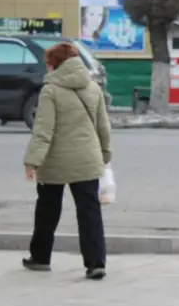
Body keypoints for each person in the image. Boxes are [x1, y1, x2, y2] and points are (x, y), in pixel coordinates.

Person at [22, 42, 112, 280]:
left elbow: (43, 131)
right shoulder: (93, 88)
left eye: (48, 64)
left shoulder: (51, 90)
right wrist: (104, 155)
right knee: (89, 211)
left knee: (47, 210)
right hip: (88, 159)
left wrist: (32, 162)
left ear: (55, 64)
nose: (47, 68)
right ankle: (96, 263)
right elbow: (103, 127)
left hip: (55, 161)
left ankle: (40, 257)